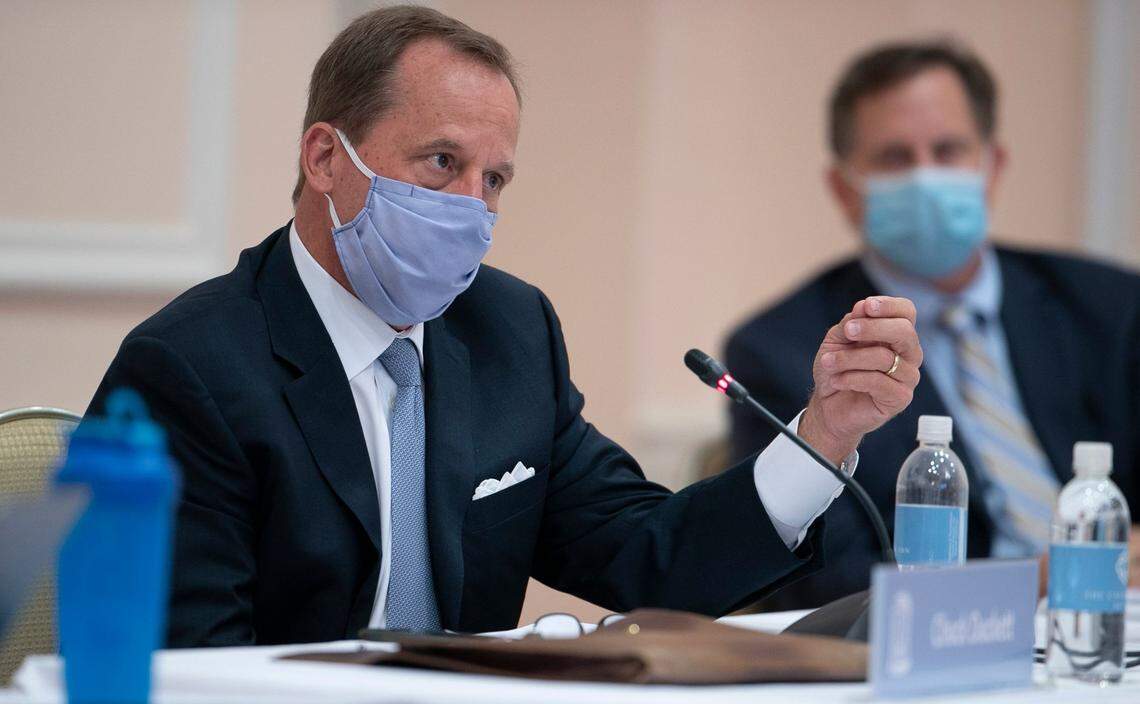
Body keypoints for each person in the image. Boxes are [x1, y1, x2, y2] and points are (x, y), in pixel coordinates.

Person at [87, 6, 921, 647]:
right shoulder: (189, 368)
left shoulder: (508, 330)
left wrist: (819, 438)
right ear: (324, 158)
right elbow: (184, 665)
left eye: (494, 180)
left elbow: (644, 554)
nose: (471, 211)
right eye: (442, 163)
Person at [726, 40, 1140, 610]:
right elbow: (816, 587)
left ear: (992, 166)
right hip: (946, 647)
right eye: (895, 158)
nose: (926, 178)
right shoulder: (784, 348)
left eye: (948, 150)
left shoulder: (1110, 307)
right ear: (846, 190)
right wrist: (1039, 580)